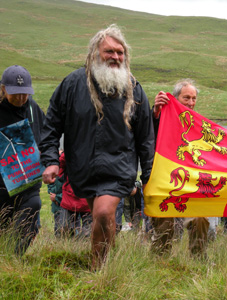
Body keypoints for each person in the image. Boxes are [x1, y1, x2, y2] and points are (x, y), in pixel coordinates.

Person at [39, 24, 155, 269]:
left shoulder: (134, 89)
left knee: (103, 213)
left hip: (119, 167)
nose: (115, 57)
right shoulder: (72, 84)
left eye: (120, 52)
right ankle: (109, 265)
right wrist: (50, 160)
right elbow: (51, 125)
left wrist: (149, 175)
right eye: (109, 51)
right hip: (84, 169)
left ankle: (96, 268)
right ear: (95, 53)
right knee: (104, 219)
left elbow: (146, 138)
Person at [150, 79, 216, 258]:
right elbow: (147, 135)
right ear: (175, 98)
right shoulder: (160, 118)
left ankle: (198, 262)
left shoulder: (199, 124)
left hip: (192, 183)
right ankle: (158, 263)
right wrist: (155, 111)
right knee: (165, 225)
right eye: (186, 98)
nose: (191, 102)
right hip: (165, 182)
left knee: (200, 220)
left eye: (194, 98)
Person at [0, 65, 45, 255]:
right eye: (14, 93)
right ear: (3, 89)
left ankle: (14, 258)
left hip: (28, 182)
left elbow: (46, 136)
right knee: (4, 227)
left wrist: (46, 155)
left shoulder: (34, 109)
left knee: (33, 210)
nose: (20, 98)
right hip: (1, 186)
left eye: (24, 93)